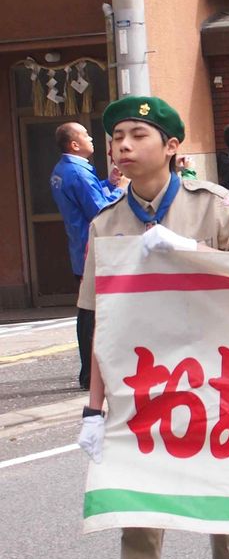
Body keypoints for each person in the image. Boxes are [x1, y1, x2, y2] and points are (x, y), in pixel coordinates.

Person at [75, 95, 229, 559]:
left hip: (217, 390)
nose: (123, 147)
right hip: (142, 398)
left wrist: (189, 253)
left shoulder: (220, 209)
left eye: (137, 135)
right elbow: (100, 324)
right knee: (137, 526)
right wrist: (94, 408)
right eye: (116, 138)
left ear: (172, 146)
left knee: (228, 526)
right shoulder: (106, 223)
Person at [50, 121, 123, 389]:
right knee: (92, 314)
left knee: (88, 312)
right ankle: (90, 374)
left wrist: (106, 183)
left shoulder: (63, 170)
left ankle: (91, 372)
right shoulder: (78, 173)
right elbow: (99, 211)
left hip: (79, 248)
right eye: (85, 135)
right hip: (91, 249)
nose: (91, 138)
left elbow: (86, 199)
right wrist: (118, 189)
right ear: (74, 144)